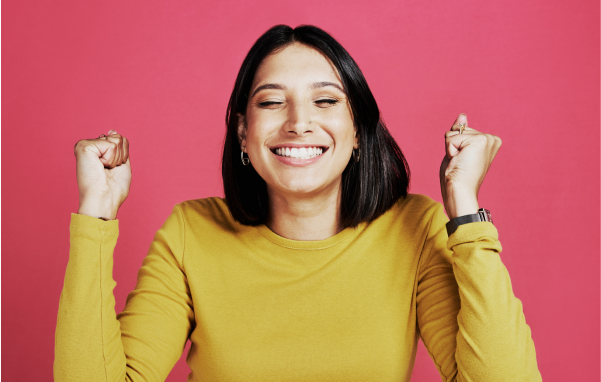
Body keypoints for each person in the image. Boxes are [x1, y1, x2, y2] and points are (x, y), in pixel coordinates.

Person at [54, 24, 541, 381]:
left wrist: (464, 208)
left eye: (326, 101)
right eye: (270, 102)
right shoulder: (191, 232)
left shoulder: (412, 228)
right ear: (244, 134)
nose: (298, 123)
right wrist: (95, 214)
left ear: (357, 133)